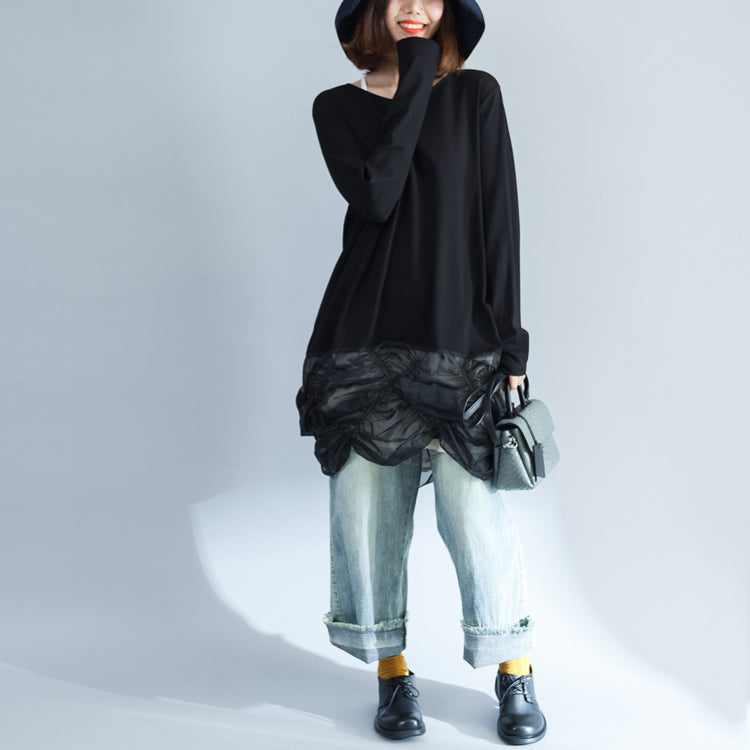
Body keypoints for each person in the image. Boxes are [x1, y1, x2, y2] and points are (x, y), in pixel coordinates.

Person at [296, 0, 547, 743]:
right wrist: (412, 73)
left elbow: (499, 223)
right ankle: (392, 673)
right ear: (372, 8)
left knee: (473, 515)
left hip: (456, 340)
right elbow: (378, 195)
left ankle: (514, 668)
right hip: (361, 341)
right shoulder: (337, 107)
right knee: (367, 517)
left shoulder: (475, 95)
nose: (415, 6)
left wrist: (512, 346)